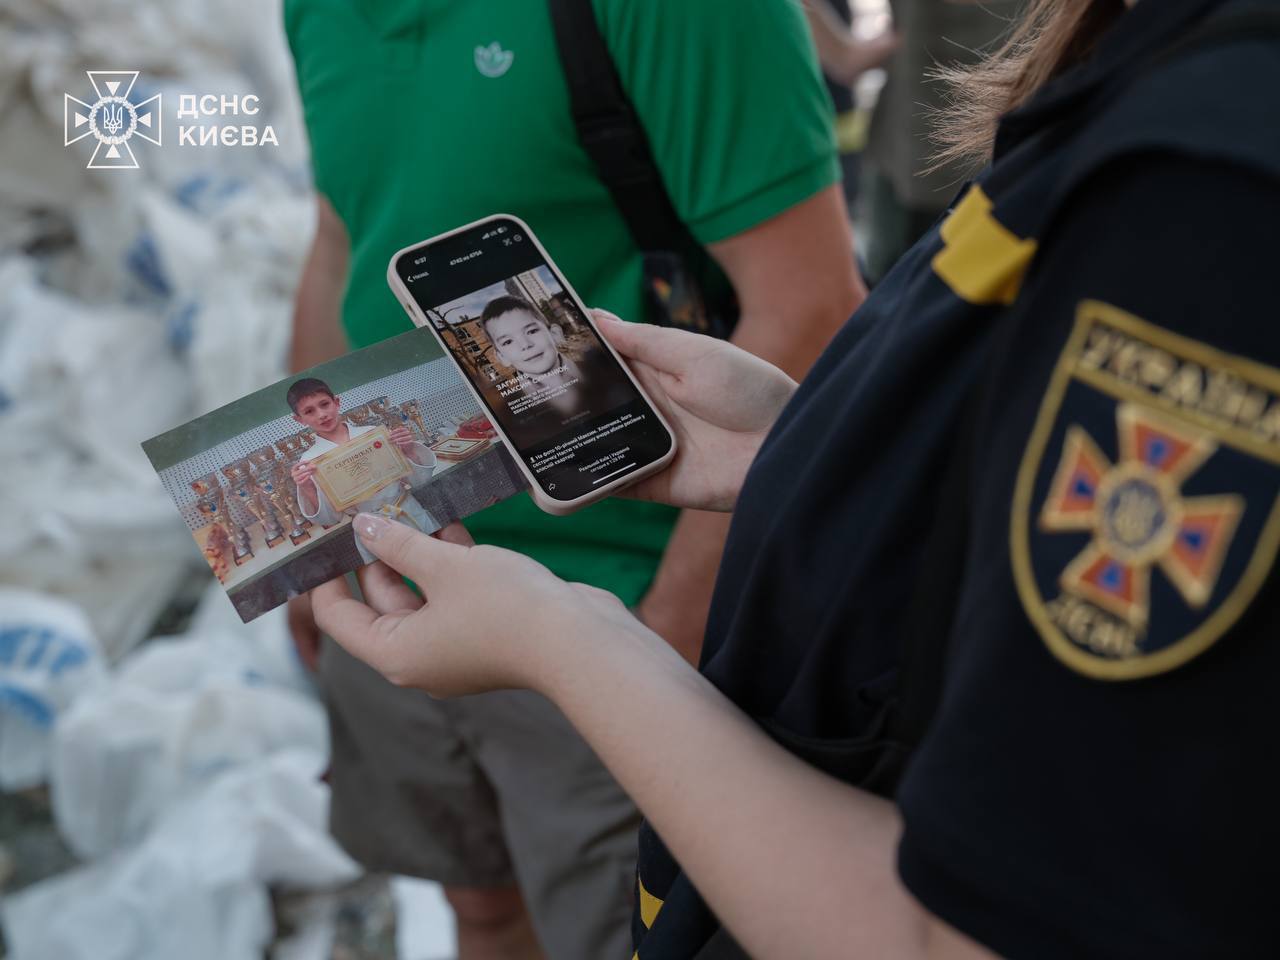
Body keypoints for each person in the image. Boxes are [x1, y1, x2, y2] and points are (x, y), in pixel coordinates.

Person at [310, 0, 1280, 956]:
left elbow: (979, 925)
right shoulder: (1156, 68)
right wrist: (801, 445)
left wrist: (575, 639)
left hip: (658, 672)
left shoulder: (1208, 183)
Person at [283, 1, 863, 956]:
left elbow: (810, 302)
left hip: (618, 602)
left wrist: (657, 640)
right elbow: (342, 234)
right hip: (401, 566)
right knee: (480, 906)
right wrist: (318, 545)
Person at [286, 378, 438, 563]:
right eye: (309, 411)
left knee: (438, 564)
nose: (322, 414)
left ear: (337, 402)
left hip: (409, 512)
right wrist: (307, 487)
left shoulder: (373, 433)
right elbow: (331, 519)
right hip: (371, 529)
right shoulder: (309, 462)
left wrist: (408, 450)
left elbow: (419, 481)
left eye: (324, 404)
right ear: (298, 419)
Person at [478, 295, 631, 449]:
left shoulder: (604, 369)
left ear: (555, 333)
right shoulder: (509, 416)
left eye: (531, 331)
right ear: (502, 357)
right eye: (508, 341)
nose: (525, 345)